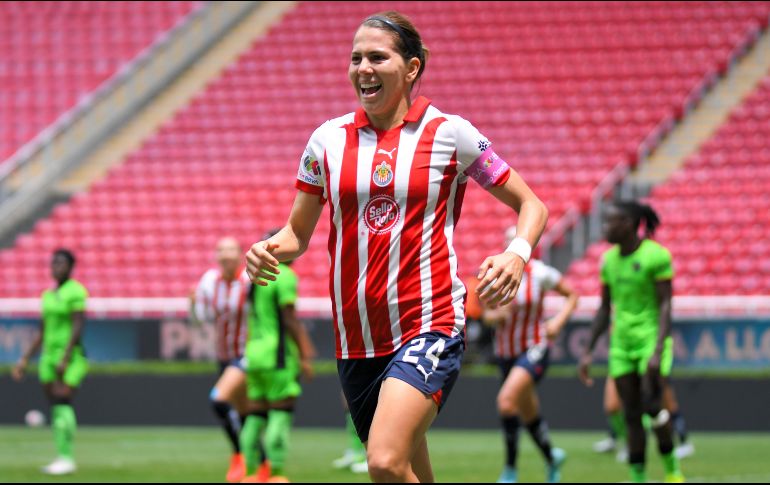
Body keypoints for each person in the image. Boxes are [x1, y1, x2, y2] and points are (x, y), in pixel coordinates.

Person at [245, 10, 548, 483]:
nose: (362, 68)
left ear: (411, 68)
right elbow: (295, 235)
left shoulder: (450, 134)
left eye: (377, 57)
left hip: (428, 323)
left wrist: (518, 253)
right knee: (406, 469)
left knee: (384, 462)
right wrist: (266, 250)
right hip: (356, 338)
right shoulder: (326, 140)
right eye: (355, 58)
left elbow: (531, 205)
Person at [579, 201, 684, 483]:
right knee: (631, 413)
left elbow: (665, 306)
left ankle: (672, 469)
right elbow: (604, 308)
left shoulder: (656, 256)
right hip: (621, 345)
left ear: (627, 224)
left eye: (610, 222)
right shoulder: (609, 260)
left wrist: (659, 349)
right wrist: (588, 350)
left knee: (652, 407)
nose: (605, 228)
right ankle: (638, 477)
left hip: (650, 341)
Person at [483, 227, 578, 483]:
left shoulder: (540, 273)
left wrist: (557, 322)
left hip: (533, 347)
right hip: (505, 352)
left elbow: (572, 295)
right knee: (527, 412)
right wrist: (494, 316)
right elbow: (485, 313)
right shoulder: (494, 273)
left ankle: (510, 470)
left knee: (506, 402)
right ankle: (551, 458)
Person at [240, 229, 316, 482]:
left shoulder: (254, 275)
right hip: (277, 356)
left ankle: (250, 473)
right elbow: (289, 319)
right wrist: (305, 353)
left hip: (255, 354)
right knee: (280, 413)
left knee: (254, 416)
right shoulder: (284, 276)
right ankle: (276, 473)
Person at [12, 249, 89, 475]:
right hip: (48, 357)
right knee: (55, 405)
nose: (55, 267)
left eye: (61, 263)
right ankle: (62, 455)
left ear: (70, 267)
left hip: (69, 356)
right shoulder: (47, 295)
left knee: (63, 398)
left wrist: (65, 357)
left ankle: (67, 457)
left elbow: (78, 325)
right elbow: (42, 332)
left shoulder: (76, 291)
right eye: (53, 263)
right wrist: (25, 359)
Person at [191, 237, 254, 483]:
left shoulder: (248, 281)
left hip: (245, 354)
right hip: (223, 356)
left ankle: (239, 455)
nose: (225, 255)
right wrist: (193, 305)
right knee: (246, 413)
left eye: (230, 250)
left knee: (219, 400)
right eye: (221, 250)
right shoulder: (209, 281)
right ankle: (258, 462)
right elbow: (204, 318)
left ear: (239, 254)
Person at [593, 376, 694, 461]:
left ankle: (683, 442)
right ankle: (621, 441)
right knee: (613, 406)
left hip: (647, 358)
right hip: (621, 360)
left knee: (667, 405)